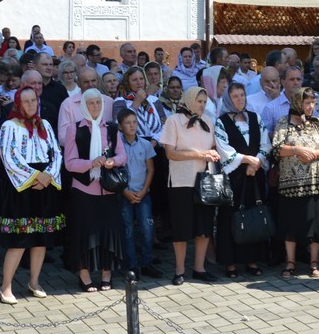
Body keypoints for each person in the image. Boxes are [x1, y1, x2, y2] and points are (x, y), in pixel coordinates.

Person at [0, 86, 65, 303]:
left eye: (33, 100)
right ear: (18, 104)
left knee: (40, 238)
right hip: (22, 187)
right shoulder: (9, 126)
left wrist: (48, 176)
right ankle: (6, 287)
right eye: (26, 101)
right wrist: (35, 176)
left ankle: (34, 281)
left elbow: (56, 153)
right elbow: (9, 157)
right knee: (19, 240)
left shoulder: (45, 125)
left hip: (44, 184)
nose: (31, 104)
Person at [62, 87, 125, 292]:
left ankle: (107, 274)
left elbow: (122, 156)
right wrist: (91, 163)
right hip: (84, 190)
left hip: (108, 190)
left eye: (98, 102)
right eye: (91, 102)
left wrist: (112, 161)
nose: (96, 106)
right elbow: (70, 163)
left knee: (109, 232)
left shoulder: (112, 128)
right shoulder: (74, 129)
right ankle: (84, 276)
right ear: (84, 106)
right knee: (84, 233)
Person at [159, 86, 224, 285]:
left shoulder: (208, 122)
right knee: (181, 227)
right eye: (199, 101)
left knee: (204, 226)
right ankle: (179, 270)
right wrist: (201, 154)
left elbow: (214, 147)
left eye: (204, 102)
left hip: (204, 180)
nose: (202, 105)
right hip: (181, 182)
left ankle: (199, 268)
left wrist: (213, 153)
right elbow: (170, 153)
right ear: (188, 101)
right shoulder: (173, 121)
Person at [270, 88, 319, 278]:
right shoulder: (284, 123)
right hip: (290, 184)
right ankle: (290, 262)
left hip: (315, 182)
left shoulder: (318, 123)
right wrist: (297, 150)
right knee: (290, 225)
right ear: (298, 103)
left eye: (313, 102)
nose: (311, 106)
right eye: (307, 103)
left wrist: (312, 153)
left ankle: (314, 263)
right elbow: (276, 149)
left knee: (314, 225)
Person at [213, 84, 267, 278]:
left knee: (253, 214)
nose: (240, 99)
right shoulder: (221, 122)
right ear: (228, 99)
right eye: (235, 96)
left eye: (242, 95)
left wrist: (257, 162)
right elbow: (224, 149)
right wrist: (247, 160)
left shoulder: (255, 117)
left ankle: (252, 260)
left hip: (254, 175)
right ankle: (230, 263)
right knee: (231, 217)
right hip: (234, 177)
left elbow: (265, 143)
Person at [114, 108, 160, 279]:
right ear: (120, 126)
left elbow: (151, 169)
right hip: (124, 193)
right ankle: (131, 265)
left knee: (147, 228)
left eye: (134, 122)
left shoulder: (145, 144)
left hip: (143, 192)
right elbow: (115, 172)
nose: (132, 126)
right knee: (127, 230)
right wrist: (125, 191)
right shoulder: (116, 146)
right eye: (128, 123)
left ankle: (147, 262)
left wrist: (144, 190)